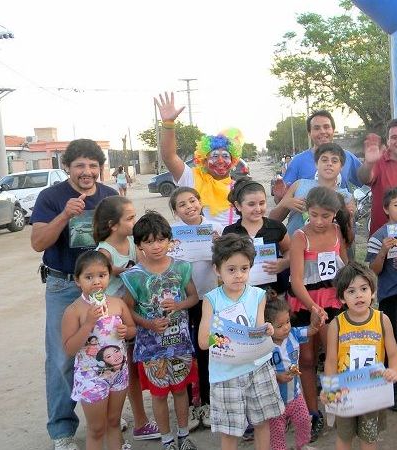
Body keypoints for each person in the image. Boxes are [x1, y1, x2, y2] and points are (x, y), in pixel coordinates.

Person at [30, 138, 118, 450]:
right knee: (62, 358)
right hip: (63, 286)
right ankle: (62, 431)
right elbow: (38, 242)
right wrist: (64, 215)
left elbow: (122, 237)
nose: (87, 171)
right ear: (66, 166)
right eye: (80, 165)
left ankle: (107, 423)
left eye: (93, 165)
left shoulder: (110, 195)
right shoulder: (51, 197)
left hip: (103, 288)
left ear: (100, 168)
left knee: (109, 352)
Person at [120, 212, 200, 450]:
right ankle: (167, 439)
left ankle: (184, 435)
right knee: (158, 394)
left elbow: (194, 296)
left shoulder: (182, 267)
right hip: (152, 348)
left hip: (180, 343)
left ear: (170, 240)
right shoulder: (133, 277)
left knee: (180, 391)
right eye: (149, 241)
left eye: (161, 240)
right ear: (139, 245)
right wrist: (148, 324)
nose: (156, 246)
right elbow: (127, 308)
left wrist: (179, 304)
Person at [198, 234, 284, 449]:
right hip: (226, 374)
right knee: (230, 432)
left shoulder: (258, 295)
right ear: (217, 270)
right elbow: (202, 342)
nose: (238, 275)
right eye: (231, 269)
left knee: (263, 422)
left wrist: (268, 330)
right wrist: (221, 337)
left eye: (244, 269)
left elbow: (259, 329)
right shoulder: (211, 299)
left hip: (257, 368)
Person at [287, 186, 352, 441]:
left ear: (334, 214)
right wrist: (313, 307)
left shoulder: (338, 232)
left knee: (333, 355)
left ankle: (338, 405)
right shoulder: (300, 236)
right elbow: (296, 281)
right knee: (306, 358)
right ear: (308, 212)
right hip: (304, 303)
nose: (319, 221)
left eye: (325, 216)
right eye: (314, 215)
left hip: (332, 301)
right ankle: (312, 413)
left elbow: (344, 265)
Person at [93, 196, 159, 437]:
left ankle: (139, 421)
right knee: (112, 371)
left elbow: (144, 267)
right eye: (130, 218)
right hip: (111, 323)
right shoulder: (104, 250)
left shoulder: (133, 242)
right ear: (113, 225)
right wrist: (118, 271)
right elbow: (97, 283)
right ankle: (114, 422)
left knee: (131, 371)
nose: (135, 221)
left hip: (132, 316)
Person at [62, 251, 136, 450]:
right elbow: (69, 349)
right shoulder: (74, 310)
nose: (96, 282)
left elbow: (132, 330)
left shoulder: (117, 303)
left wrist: (125, 330)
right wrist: (88, 324)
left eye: (102, 275)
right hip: (91, 377)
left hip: (118, 373)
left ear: (109, 275)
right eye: (89, 277)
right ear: (78, 281)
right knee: (96, 428)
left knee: (114, 422)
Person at [323, 262, 397, 450]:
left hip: (372, 391)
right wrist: (330, 389)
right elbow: (331, 360)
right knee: (344, 437)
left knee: (369, 439)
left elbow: (393, 353)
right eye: (351, 291)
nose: (359, 295)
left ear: (373, 292)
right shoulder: (336, 324)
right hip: (345, 391)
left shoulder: (382, 320)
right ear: (342, 298)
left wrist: (394, 371)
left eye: (364, 289)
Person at [168, 187, 225, 430]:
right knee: (186, 352)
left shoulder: (215, 229)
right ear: (175, 211)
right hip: (181, 302)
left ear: (201, 202)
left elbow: (226, 264)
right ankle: (192, 405)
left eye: (192, 200)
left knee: (208, 350)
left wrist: (218, 246)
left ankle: (210, 402)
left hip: (209, 301)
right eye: (182, 204)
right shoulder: (171, 234)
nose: (189, 206)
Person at [155, 91, 243, 227]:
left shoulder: (238, 188)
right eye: (214, 156)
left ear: (233, 161)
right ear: (204, 160)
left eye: (225, 156)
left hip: (230, 245)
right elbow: (169, 156)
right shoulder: (192, 178)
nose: (220, 161)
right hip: (198, 244)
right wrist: (168, 123)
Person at [366, 187, 397, 411]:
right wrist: (383, 252)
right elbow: (373, 270)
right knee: (393, 342)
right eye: (396, 205)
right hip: (391, 296)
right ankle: (393, 390)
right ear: (386, 209)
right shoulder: (379, 236)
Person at [266, 298, 321, 450]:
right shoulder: (264, 346)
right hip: (275, 402)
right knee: (277, 433)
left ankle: (302, 445)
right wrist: (277, 377)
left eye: (288, 322)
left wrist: (316, 318)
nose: (286, 328)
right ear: (267, 327)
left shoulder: (293, 335)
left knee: (304, 421)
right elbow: (260, 371)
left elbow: (311, 329)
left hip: (296, 396)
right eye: (280, 325)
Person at [224, 178, 291, 299]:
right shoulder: (230, 232)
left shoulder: (276, 227)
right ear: (238, 205)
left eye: (262, 203)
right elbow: (225, 262)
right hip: (242, 294)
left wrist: (285, 263)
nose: (258, 209)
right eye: (251, 204)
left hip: (275, 293)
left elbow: (289, 250)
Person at [270, 143, 355, 237]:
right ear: (316, 164)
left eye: (334, 161)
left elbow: (349, 237)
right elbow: (272, 220)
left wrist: (347, 217)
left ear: (341, 167)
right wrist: (285, 204)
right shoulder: (299, 185)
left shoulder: (346, 197)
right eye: (324, 160)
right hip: (292, 248)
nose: (329, 164)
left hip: (326, 250)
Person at [279, 111, 363, 203]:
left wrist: (354, 205)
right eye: (316, 128)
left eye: (326, 127)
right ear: (309, 133)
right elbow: (282, 199)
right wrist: (280, 196)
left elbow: (368, 183)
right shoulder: (297, 161)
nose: (322, 131)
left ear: (333, 130)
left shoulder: (348, 157)